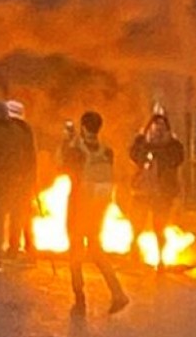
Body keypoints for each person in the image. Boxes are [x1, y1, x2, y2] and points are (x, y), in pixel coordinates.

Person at [62, 113, 129, 317]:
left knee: (75, 249)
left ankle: (79, 297)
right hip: (99, 206)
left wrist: (68, 141)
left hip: (79, 203)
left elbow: (64, 166)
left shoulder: (77, 151)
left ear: (83, 127)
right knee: (94, 247)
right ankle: (117, 292)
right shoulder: (106, 151)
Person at [127, 113, 186, 266]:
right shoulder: (142, 142)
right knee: (137, 223)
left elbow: (176, 160)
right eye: (155, 126)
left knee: (159, 226)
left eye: (162, 127)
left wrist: (159, 151)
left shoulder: (174, 146)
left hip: (163, 193)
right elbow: (133, 155)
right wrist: (145, 144)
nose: (158, 130)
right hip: (142, 191)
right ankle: (134, 251)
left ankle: (160, 258)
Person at [0, 100, 38, 262]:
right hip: (22, 179)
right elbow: (31, 156)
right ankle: (17, 248)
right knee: (18, 216)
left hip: (1, 180)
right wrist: (31, 178)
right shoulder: (25, 130)